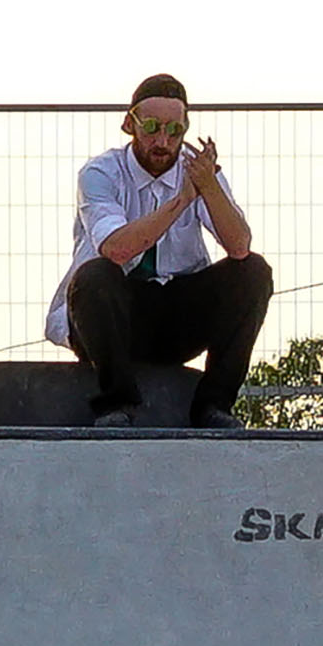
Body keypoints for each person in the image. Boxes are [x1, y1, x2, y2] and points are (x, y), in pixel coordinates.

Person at [45, 73, 269, 429]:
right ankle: (116, 405)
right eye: (150, 127)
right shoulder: (100, 173)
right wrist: (181, 200)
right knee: (96, 274)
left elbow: (239, 246)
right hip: (109, 322)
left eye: (174, 130)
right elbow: (117, 248)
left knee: (253, 271)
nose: (162, 141)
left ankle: (215, 407)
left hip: (174, 317)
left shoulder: (199, 172)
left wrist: (209, 188)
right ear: (129, 124)